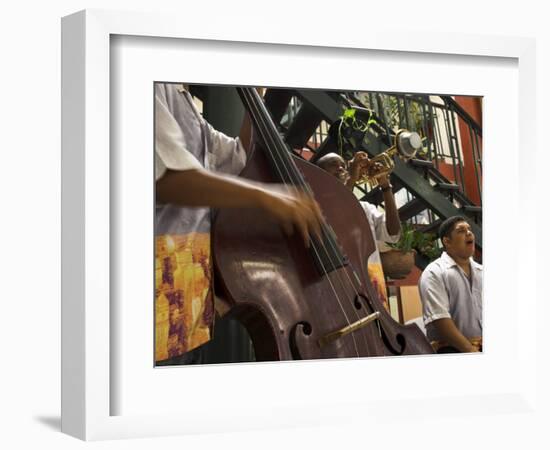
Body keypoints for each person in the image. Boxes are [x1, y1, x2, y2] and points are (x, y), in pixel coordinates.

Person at [155, 83, 322, 365]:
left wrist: (253, 95)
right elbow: (168, 177)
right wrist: (265, 197)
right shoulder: (154, 84)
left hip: (189, 313)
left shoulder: (188, 109)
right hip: (156, 305)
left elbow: (237, 156)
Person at [315, 151, 401, 308]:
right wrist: (353, 177)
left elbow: (393, 232)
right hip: (343, 296)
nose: (341, 168)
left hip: (375, 293)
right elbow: (335, 216)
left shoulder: (365, 208)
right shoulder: (316, 206)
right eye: (333, 165)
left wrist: (385, 185)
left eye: (343, 165)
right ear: (319, 175)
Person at [418, 216, 482, 353]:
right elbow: (440, 318)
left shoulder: (482, 271)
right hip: (451, 352)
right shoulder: (434, 272)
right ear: (447, 241)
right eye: (461, 231)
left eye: (469, 229)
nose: (469, 233)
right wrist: (470, 350)